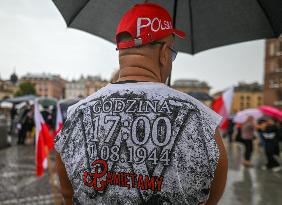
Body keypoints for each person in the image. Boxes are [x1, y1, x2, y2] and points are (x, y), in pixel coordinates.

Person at [55, 3, 228, 205]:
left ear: (121, 52)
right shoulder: (201, 121)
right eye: (172, 53)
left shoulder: (76, 115)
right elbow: (209, 199)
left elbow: (68, 195)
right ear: (164, 53)